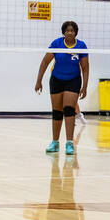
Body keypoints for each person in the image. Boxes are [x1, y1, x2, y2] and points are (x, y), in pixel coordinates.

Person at [34, 20, 89, 155]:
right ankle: (55, 142)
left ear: (76, 32)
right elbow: (45, 62)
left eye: (72, 31)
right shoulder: (57, 43)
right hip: (56, 79)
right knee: (57, 112)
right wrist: (39, 81)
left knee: (69, 110)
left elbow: (85, 67)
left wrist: (85, 86)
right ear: (64, 32)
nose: (70, 33)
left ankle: (70, 143)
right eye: (67, 30)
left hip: (73, 80)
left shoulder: (81, 46)